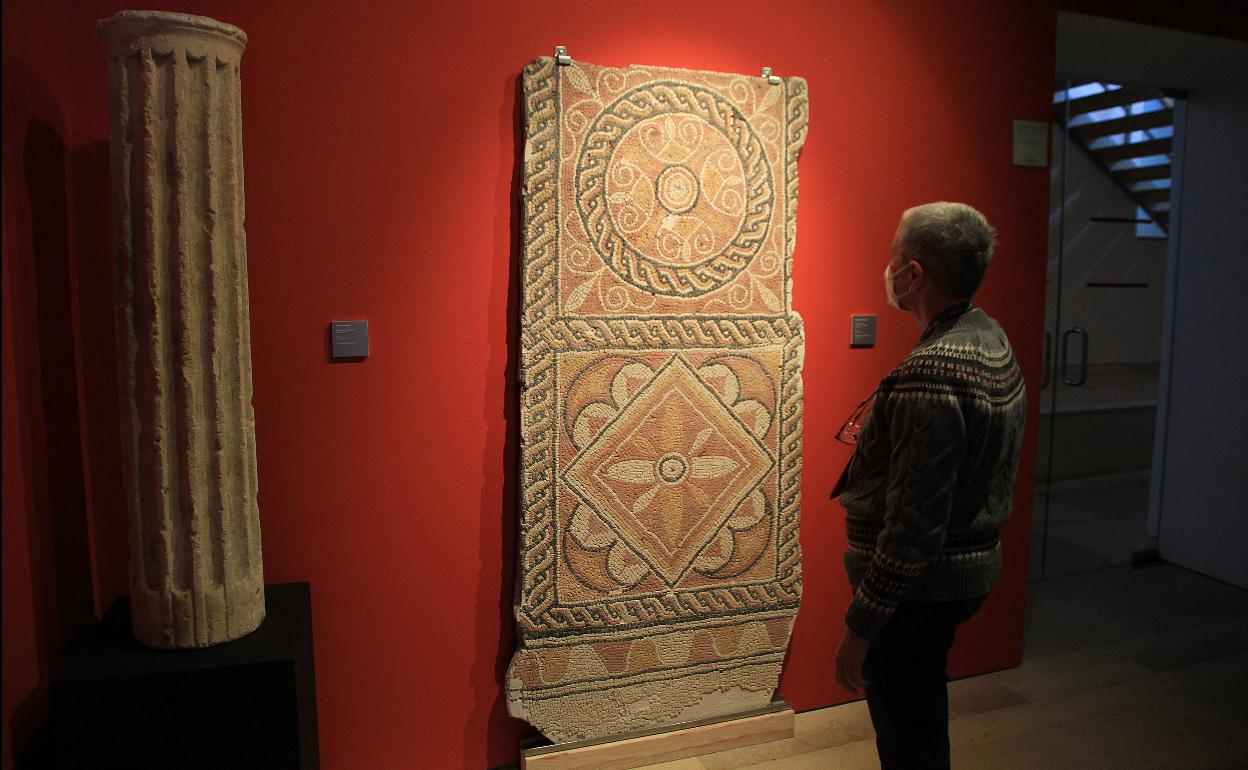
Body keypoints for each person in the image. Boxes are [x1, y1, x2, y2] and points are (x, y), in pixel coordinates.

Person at [830, 202, 1027, 769]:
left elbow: (914, 527)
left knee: (906, 735)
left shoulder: (933, 372)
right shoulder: (988, 338)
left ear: (912, 275)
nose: (887, 265)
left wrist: (859, 628)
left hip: (919, 590)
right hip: (962, 573)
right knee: (919, 710)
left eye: (894, 254)